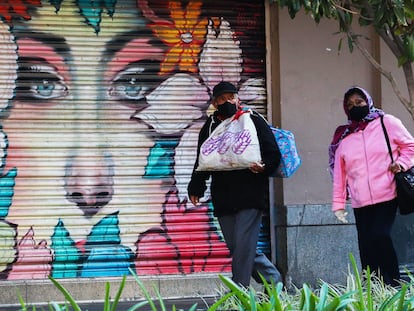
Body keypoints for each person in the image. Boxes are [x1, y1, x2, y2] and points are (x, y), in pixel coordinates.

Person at [187, 81, 282, 287]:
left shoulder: (253, 119)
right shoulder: (211, 126)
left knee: (244, 245)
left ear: (238, 98)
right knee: (238, 246)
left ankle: (239, 293)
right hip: (223, 197)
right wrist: (196, 186)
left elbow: (273, 153)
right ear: (215, 103)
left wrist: (264, 167)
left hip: (250, 194)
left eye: (231, 97)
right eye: (222, 99)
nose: (228, 101)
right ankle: (273, 281)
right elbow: (202, 159)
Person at [329, 86, 414, 286]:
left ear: (368, 101)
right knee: (366, 245)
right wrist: (338, 204)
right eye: (350, 105)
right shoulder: (344, 136)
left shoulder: (387, 123)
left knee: (380, 235)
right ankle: (373, 288)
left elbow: (410, 146)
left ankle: (393, 284)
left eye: (359, 102)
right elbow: (340, 175)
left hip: (387, 193)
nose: (355, 106)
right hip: (360, 200)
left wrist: (401, 164)